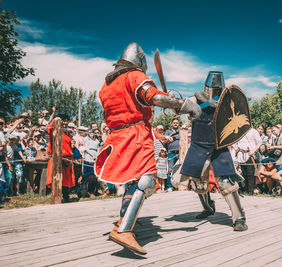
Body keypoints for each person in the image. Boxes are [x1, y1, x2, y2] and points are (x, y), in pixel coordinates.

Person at [94, 42, 201, 255]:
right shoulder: (134, 75)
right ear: (140, 60)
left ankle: (123, 222)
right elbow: (153, 97)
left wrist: (163, 99)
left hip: (117, 136)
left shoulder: (107, 84)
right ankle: (124, 229)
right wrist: (181, 104)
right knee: (147, 180)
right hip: (135, 135)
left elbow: (139, 101)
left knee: (132, 182)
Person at [179, 71, 248, 231]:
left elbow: (237, 122)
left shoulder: (228, 102)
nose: (214, 90)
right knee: (198, 182)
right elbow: (179, 107)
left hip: (219, 148)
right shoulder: (194, 100)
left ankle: (239, 217)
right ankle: (208, 207)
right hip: (198, 146)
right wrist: (172, 102)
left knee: (226, 183)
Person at [46, 114, 75, 202]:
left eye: (67, 120)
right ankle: (56, 197)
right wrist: (55, 120)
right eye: (63, 120)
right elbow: (49, 130)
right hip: (57, 158)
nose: (65, 122)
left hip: (67, 158)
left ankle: (66, 196)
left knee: (66, 180)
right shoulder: (55, 131)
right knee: (57, 178)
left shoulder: (68, 133)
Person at [165, 118, 181, 191]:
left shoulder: (181, 131)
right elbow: (164, 141)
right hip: (171, 153)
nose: (175, 124)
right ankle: (169, 186)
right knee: (170, 170)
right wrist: (172, 134)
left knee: (179, 169)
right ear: (171, 124)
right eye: (174, 123)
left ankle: (179, 185)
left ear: (179, 124)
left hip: (180, 152)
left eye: (177, 123)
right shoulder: (168, 131)